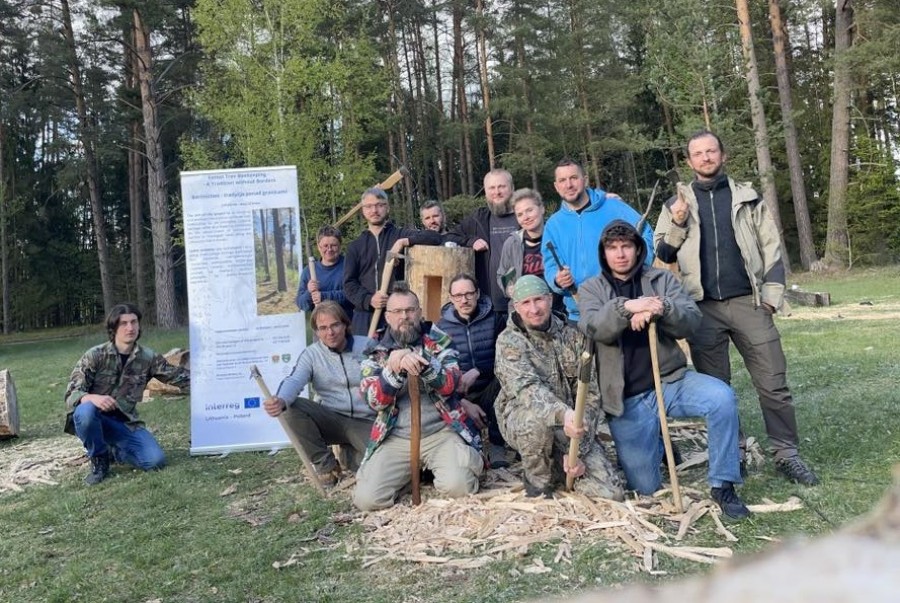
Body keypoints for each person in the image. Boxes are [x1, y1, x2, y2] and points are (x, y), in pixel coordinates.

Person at [654, 130, 818, 486]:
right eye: (698, 153)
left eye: (711, 150)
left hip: (750, 303)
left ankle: (786, 454)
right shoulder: (675, 205)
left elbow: (771, 247)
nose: (706, 157)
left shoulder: (748, 198)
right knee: (719, 391)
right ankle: (736, 452)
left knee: (773, 383)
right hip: (702, 309)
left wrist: (772, 299)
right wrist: (679, 223)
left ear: (723, 155)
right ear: (689, 161)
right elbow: (662, 254)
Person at [579, 220, 749, 519]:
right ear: (603, 254)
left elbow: (691, 320)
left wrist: (662, 308)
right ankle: (655, 441)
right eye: (613, 248)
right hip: (627, 397)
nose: (621, 254)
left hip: (670, 381)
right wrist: (629, 307)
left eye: (627, 246)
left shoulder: (661, 280)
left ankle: (723, 484)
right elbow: (596, 328)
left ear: (638, 248)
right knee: (645, 487)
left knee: (721, 398)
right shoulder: (591, 288)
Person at [352, 283, 484, 511]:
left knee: (459, 488)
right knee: (367, 499)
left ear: (420, 312)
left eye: (411, 310)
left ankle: (442, 466)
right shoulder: (374, 350)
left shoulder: (440, 341)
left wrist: (418, 360)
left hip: (441, 432)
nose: (405, 316)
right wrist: (393, 370)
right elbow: (374, 401)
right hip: (397, 437)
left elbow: (451, 385)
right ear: (387, 316)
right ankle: (405, 475)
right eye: (398, 311)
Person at [494, 275, 624, 500]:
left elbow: (590, 395)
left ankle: (562, 468)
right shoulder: (508, 342)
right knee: (534, 424)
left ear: (550, 300)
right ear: (516, 307)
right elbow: (527, 390)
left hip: (571, 425)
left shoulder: (574, 338)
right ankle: (538, 482)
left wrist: (577, 451)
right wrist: (564, 414)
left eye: (539, 300)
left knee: (611, 494)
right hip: (526, 419)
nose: (534, 309)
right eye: (526, 303)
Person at [63, 303, 190, 485]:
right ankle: (99, 459)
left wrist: (220, 382)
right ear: (113, 328)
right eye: (124, 323)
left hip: (125, 423)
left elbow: (181, 378)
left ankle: (115, 452)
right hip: (94, 419)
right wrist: (92, 397)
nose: (130, 328)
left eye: (134, 322)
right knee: (85, 411)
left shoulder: (148, 358)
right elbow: (71, 394)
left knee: (155, 461)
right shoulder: (95, 355)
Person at [262, 301, 375, 486]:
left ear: (345, 324)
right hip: (330, 418)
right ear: (316, 331)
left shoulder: (367, 346)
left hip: (365, 420)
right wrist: (281, 399)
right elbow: (294, 380)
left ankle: (348, 454)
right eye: (323, 328)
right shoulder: (311, 355)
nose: (330, 333)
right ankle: (326, 466)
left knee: (376, 466)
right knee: (291, 408)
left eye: (335, 325)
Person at [542, 159, 654, 323]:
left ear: (585, 179)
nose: (569, 185)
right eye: (562, 180)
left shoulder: (614, 207)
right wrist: (557, 280)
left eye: (574, 178)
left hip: (624, 308)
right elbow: (550, 264)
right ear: (556, 186)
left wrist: (636, 267)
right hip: (580, 315)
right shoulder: (553, 225)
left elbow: (645, 234)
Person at [343, 187, 442, 336]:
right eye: (369, 206)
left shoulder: (400, 234)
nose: (374, 210)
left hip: (399, 316)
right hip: (366, 317)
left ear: (387, 207)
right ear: (363, 210)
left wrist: (402, 242)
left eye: (379, 205)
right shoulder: (355, 246)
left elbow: (434, 237)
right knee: (366, 357)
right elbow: (349, 284)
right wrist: (369, 299)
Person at [436, 274, 508, 468]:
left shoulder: (495, 320)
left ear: (477, 294)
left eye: (469, 293)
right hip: (460, 394)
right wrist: (461, 401)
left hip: (490, 387)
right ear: (450, 298)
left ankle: (496, 444)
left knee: (506, 381)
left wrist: (479, 369)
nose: (464, 300)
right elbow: (437, 372)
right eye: (458, 295)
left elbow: (508, 356)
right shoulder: (440, 329)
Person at [445, 169, 520, 323]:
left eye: (502, 187)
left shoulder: (525, 216)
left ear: (512, 189)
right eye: (491, 188)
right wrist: (471, 241)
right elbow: (449, 236)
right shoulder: (479, 219)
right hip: (490, 307)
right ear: (485, 192)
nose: (496, 192)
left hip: (524, 302)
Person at [496, 188, 565, 315]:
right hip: (525, 314)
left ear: (542, 209)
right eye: (520, 214)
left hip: (558, 310)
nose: (526, 217)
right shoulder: (512, 243)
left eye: (529, 210)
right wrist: (509, 289)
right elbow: (502, 275)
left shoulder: (559, 237)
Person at [296, 226, 354, 320]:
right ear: (319, 247)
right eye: (325, 246)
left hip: (345, 326)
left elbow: (354, 296)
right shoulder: (309, 271)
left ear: (340, 246)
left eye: (333, 245)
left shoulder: (349, 266)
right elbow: (301, 304)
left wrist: (324, 296)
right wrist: (309, 292)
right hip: (320, 328)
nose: (329, 249)